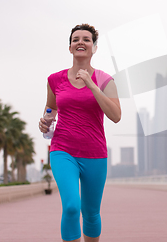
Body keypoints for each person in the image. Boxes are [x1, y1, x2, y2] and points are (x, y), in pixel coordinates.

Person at [39, 24, 121, 242]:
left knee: (91, 213)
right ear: (70, 47)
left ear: (93, 48)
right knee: (72, 208)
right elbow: (51, 109)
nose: (80, 42)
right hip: (63, 150)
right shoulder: (54, 79)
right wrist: (45, 122)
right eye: (76, 39)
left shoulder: (105, 80)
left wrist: (91, 85)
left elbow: (115, 115)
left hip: (95, 153)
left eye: (86, 39)